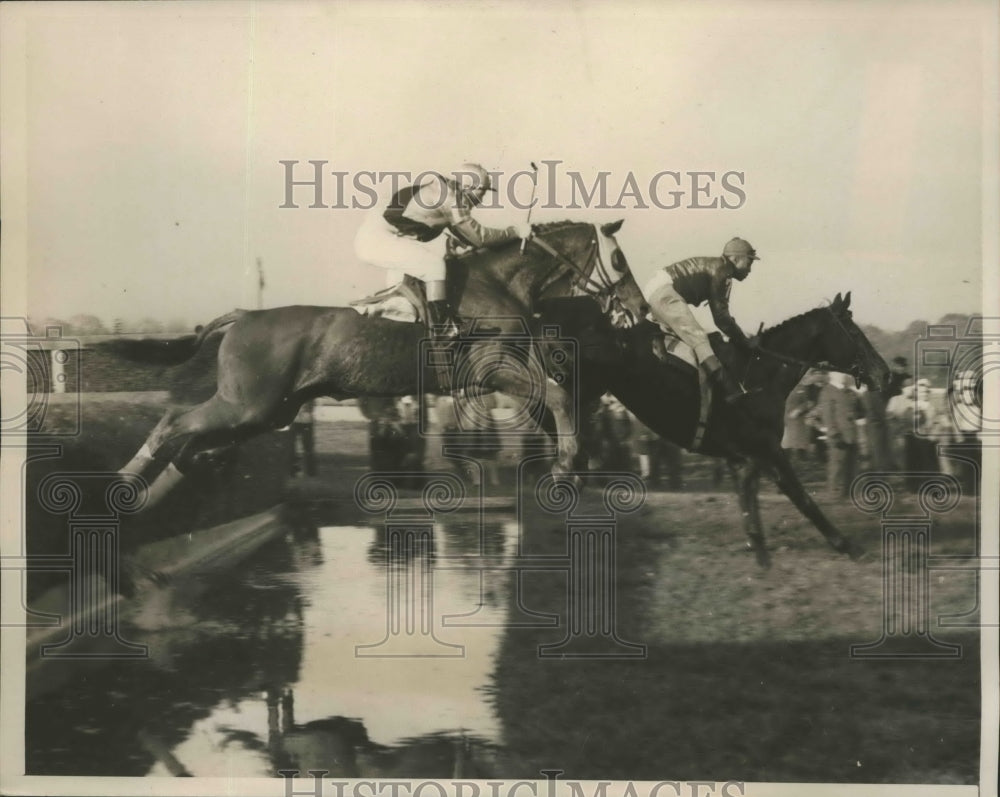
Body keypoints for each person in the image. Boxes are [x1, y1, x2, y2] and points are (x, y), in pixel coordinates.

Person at [354, 163, 532, 339]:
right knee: (433, 266)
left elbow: (466, 237)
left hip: (379, 237)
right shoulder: (450, 198)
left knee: (414, 298)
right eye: (482, 191)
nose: (482, 198)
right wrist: (515, 231)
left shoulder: (447, 192)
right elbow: (478, 237)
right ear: (467, 187)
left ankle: (375, 308)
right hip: (376, 240)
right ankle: (442, 327)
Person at [643, 237, 761, 402]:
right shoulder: (724, 270)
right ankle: (731, 391)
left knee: (691, 348)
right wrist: (745, 342)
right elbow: (721, 318)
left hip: (655, 292)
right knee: (699, 339)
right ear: (734, 259)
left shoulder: (720, 267)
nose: (750, 269)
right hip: (663, 291)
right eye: (749, 263)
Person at [818, 370, 861, 498]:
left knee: (851, 463)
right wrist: (834, 433)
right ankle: (834, 492)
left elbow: (854, 410)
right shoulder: (827, 391)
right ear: (832, 375)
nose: (844, 375)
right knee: (837, 464)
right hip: (839, 434)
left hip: (851, 432)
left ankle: (849, 491)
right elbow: (827, 415)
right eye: (840, 373)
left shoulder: (848, 391)